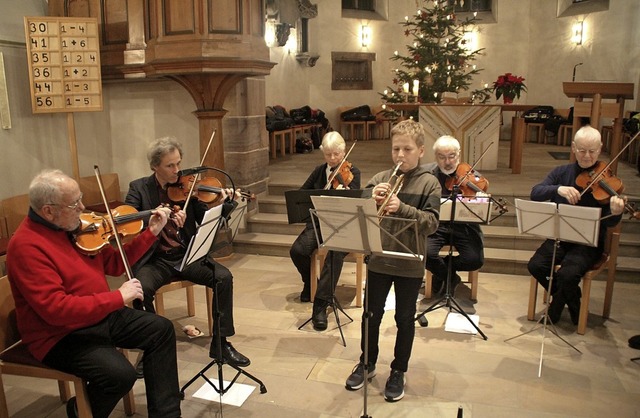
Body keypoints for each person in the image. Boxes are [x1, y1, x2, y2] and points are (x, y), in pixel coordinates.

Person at [6, 169, 181, 418]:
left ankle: (167, 415)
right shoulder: (27, 247)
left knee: (160, 330)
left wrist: (150, 233)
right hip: (59, 335)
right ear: (48, 211)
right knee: (120, 375)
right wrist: (118, 297)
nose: (83, 207)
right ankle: (80, 412)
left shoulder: (74, 229)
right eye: (74, 203)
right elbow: (56, 310)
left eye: (80, 198)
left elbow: (116, 264)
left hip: (98, 316)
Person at [125, 136, 250, 367]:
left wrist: (226, 204)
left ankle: (221, 344)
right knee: (140, 290)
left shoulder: (188, 188)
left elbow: (206, 218)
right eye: (170, 165)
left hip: (187, 255)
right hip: (157, 260)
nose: (177, 171)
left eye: (178, 163)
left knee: (223, 277)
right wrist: (156, 215)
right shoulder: (139, 188)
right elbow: (128, 220)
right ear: (155, 166)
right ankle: (150, 349)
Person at [345, 120, 440, 402]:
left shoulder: (429, 183)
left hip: (410, 262)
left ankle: (398, 369)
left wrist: (404, 207)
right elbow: (358, 211)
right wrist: (368, 198)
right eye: (396, 148)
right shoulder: (380, 178)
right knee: (370, 315)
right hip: (379, 260)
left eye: (407, 149)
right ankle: (367, 363)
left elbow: (432, 223)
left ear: (421, 151)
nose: (400, 155)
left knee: (403, 319)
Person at [527, 126, 624, 324]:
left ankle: (556, 307)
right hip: (560, 237)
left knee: (568, 274)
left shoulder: (607, 180)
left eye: (592, 151)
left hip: (589, 243)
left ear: (600, 149)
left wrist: (615, 212)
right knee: (535, 265)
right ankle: (573, 301)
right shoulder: (561, 173)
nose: (587, 156)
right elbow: (535, 192)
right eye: (581, 150)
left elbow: (610, 222)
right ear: (573, 148)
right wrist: (558, 189)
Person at [288, 131, 361, 331]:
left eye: (336, 154)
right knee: (297, 251)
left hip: (344, 226)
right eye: (328, 155)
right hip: (320, 223)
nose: (332, 159)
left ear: (343, 150)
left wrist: (346, 191)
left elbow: (357, 200)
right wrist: (315, 196)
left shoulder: (353, 172)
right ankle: (311, 282)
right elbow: (302, 194)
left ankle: (320, 305)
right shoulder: (319, 171)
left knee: (335, 253)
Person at [422, 135, 485, 296]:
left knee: (474, 260)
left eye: (452, 156)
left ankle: (443, 271)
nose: (448, 162)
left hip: (465, 226)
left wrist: (480, 199)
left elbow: (481, 198)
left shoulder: (470, 174)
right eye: (442, 157)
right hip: (437, 226)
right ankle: (451, 278)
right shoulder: (427, 174)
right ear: (435, 156)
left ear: (459, 154)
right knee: (426, 254)